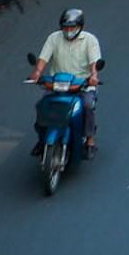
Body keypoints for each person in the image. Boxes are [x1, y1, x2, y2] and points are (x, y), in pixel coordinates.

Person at [29, 8, 102, 157]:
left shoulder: (90, 40)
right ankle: (42, 138)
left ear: (80, 27)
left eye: (72, 27)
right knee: (43, 106)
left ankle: (89, 141)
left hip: (82, 84)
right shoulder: (54, 38)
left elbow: (94, 61)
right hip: (58, 83)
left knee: (87, 105)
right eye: (65, 27)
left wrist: (94, 75)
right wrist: (37, 72)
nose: (68, 30)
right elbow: (44, 58)